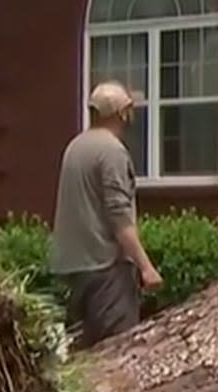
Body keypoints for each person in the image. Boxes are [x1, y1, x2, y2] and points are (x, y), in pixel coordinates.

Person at [49, 81, 163, 349]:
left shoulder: (75, 146)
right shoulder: (112, 151)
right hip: (105, 270)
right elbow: (118, 214)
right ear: (122, 114)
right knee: (118, 351)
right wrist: (146, 268)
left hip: (74, 269)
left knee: (85, 356)